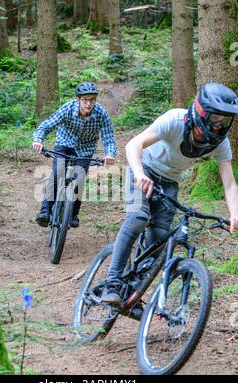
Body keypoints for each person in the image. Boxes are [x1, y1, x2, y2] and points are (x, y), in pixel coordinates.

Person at [102, 82, 238, 305]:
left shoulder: (220, 143)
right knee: (138, 218)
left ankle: (130, 296)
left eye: (225, 120)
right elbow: (134, 144)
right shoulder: (175, 120)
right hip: (144, 168)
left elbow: (230, 183)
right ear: (202, 112)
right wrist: (138, 173)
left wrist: (234, 214)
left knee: (159, 238)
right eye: (216, 118)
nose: (219, 125)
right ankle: (112, 282)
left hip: (170, 182)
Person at [33, 82, 116, 228]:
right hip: (64, 143)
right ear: (78, 99)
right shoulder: (68, 108)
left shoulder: (101, 113)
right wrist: (38, 140)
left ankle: (73, 214)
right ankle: (45, 211)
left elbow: (108, 138)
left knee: (80, 178)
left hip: (85, 148)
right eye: (85, 100)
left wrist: (109, 154)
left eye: (92, 99)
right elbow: (47, 125)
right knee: (58, 173)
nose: (88, 103)